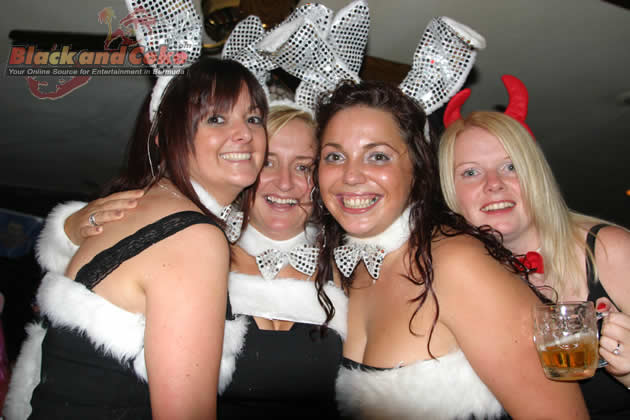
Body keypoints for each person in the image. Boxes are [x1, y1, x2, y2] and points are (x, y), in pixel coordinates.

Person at [29, 104, 348, 419]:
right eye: (268, 162)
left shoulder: (348, 269)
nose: (285, 182)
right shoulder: (186, 247)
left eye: (303, 167)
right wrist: (71, 232)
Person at [4, 56, 269, 420]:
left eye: (253, 118)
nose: (245, 133)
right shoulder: (192, 237)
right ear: (165, 137)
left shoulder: (142, 211)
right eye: (216, 119)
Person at [311, 80, 589, 419]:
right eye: (335, 156)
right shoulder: (346, 270)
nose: (351, 175)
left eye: (378, 156)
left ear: (417, 169)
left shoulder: (458, 264)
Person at [438, 78, 630, 418]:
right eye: (470, 172)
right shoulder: (454, 280)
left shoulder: (608, 250)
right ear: (451, 193)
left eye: (510, 167)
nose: (493, 184)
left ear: (535, 175)